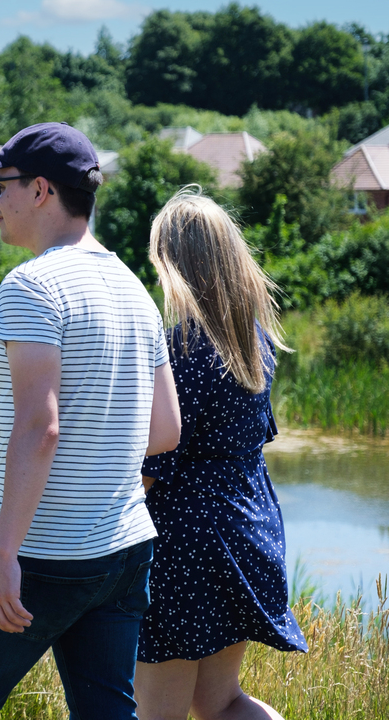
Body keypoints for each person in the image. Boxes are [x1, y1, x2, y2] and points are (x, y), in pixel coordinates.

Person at [0, 122, 182, 720]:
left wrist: (6, 556)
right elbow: (166, 429)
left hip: (45, 552)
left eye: (0, 184)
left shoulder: (30, 286)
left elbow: (40, 429)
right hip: (123, 550)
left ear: (40, 190)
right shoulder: (134, 288)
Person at [135, 189, 307, 720]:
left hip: (188, 550)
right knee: (222, 702)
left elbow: (150, 468)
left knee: (155, 712)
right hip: (251, 531)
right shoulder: (254, 341)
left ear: (174, 264)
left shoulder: (179, 349)